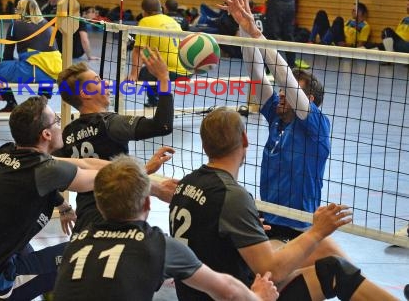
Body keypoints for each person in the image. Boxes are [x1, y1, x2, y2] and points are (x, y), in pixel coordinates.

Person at [0, 96, 174, 300]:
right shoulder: (44, 171)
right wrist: (151, 182)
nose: (60, 124)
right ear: (46, 134)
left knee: (35, 250)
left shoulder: (7, 151)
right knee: (85, 253)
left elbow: (85, 164)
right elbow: (109, 179)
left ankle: (48, 287)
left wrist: (64, 205)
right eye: (56, 120)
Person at [169, 107, 398, 301]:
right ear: (245, 139)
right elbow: (273, 271)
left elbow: (208, 235)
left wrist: (244, 228)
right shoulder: (232, 195)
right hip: (235, 295)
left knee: (324, 251)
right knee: (333, 270)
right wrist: (318, 230)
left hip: (200, 291)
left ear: (204, 144)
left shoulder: (187, 183)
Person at [222, 0, 344, 259]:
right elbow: (256, 73)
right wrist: (244, 28)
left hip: (299, 226)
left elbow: (284, 78)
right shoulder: (277, 118)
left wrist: (258, 34)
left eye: (290, 94)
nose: (281, 95)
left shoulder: (315, 125)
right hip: (268, 219)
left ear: (309, 99)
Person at [54, 156, 279, 301]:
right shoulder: (156, 245)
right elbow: (228, 291)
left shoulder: (77, 242)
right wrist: (258, 297)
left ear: (100, 207)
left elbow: (87, 163)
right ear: (147, 203)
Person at [56, 47, 175, 232]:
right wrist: (163, 79)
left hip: (85, 220)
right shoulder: (109, 123)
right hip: (116, 216)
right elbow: (163, 126)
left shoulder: (69, 132)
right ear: (86, 94)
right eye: (98, 81)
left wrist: (63, 207)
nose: (106, 84)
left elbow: (49, 171)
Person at [0, 0, 62, 112]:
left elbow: (7, 56)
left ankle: (10, 103)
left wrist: (2, 76)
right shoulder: (48, 25)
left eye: (17, 8)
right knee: (43, 63)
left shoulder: (15, 24)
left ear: (21, 10)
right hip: (54, 74)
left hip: (32, 72)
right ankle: (43, 102)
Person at [127, 0, 190, 107]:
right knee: (148, 53)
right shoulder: (173, 21)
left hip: (169, 72)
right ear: (161, 9)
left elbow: (137, 51)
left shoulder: (145, 21)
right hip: (187, 71)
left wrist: (134, 74)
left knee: (143, 73)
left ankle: (154, 100)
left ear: (144, 11)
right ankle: (158, 96)